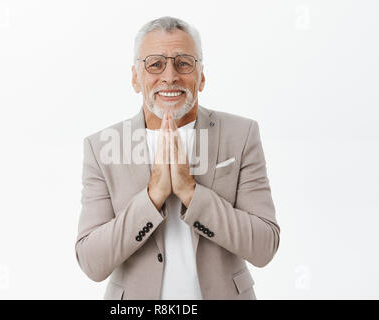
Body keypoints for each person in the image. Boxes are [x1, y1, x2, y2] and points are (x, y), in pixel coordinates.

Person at [75, 16, 280, 300]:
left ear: (202, 76)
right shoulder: (101, 148)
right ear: (136, 78)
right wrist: (153, 195)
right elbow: (91, 262)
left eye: (183, 63)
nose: (170, 76)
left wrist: (190, 191)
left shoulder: (242, 134)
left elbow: (264, 245)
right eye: (155, 64)